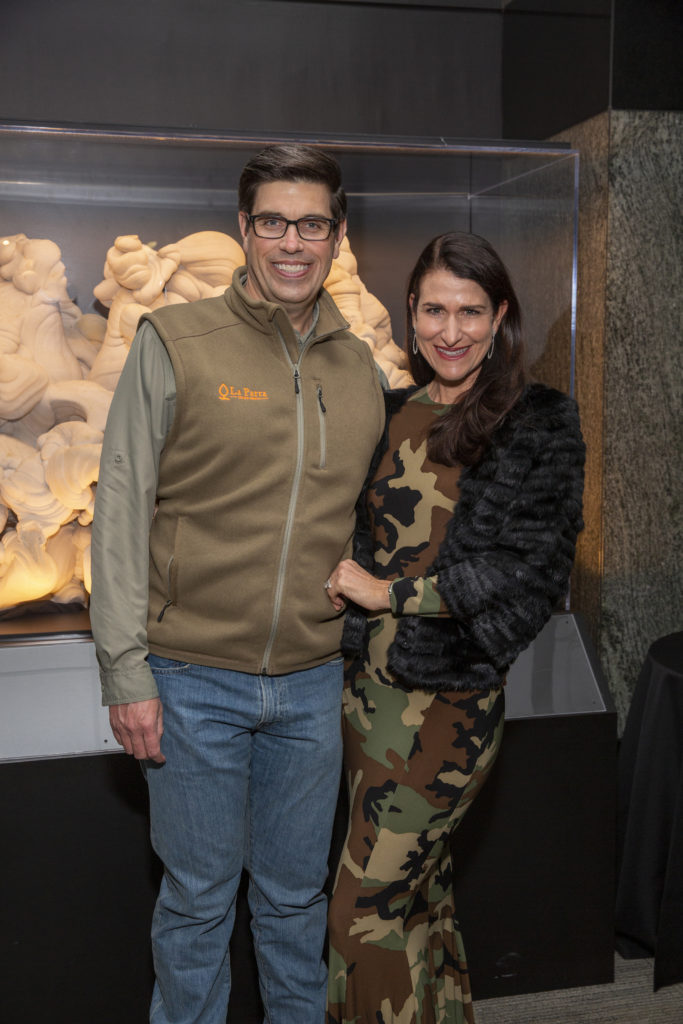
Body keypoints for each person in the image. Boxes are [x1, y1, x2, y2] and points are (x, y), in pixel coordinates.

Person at [89, 144, 386, 1024]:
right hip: (189, 682)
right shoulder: (173, 342)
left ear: (337, 234)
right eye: (271, 222)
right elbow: (118, 508)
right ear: (244, 228)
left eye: (311, 224)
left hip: (309, 682)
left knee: (296, 905)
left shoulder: (360, 368)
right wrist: (124, 671)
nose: (290, 242)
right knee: (196, 904)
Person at [324, 231, 585, 1024]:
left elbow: (523, 569)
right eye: (433, 309)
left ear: (499, 315)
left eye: (470, 311)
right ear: (409, 311)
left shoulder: (536, 420)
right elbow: (361, 529)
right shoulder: (393, 410)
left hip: (446, 708)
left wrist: (385, 593)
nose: (450, 329)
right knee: (418, 901)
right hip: (364, 701)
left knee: (360, 914)